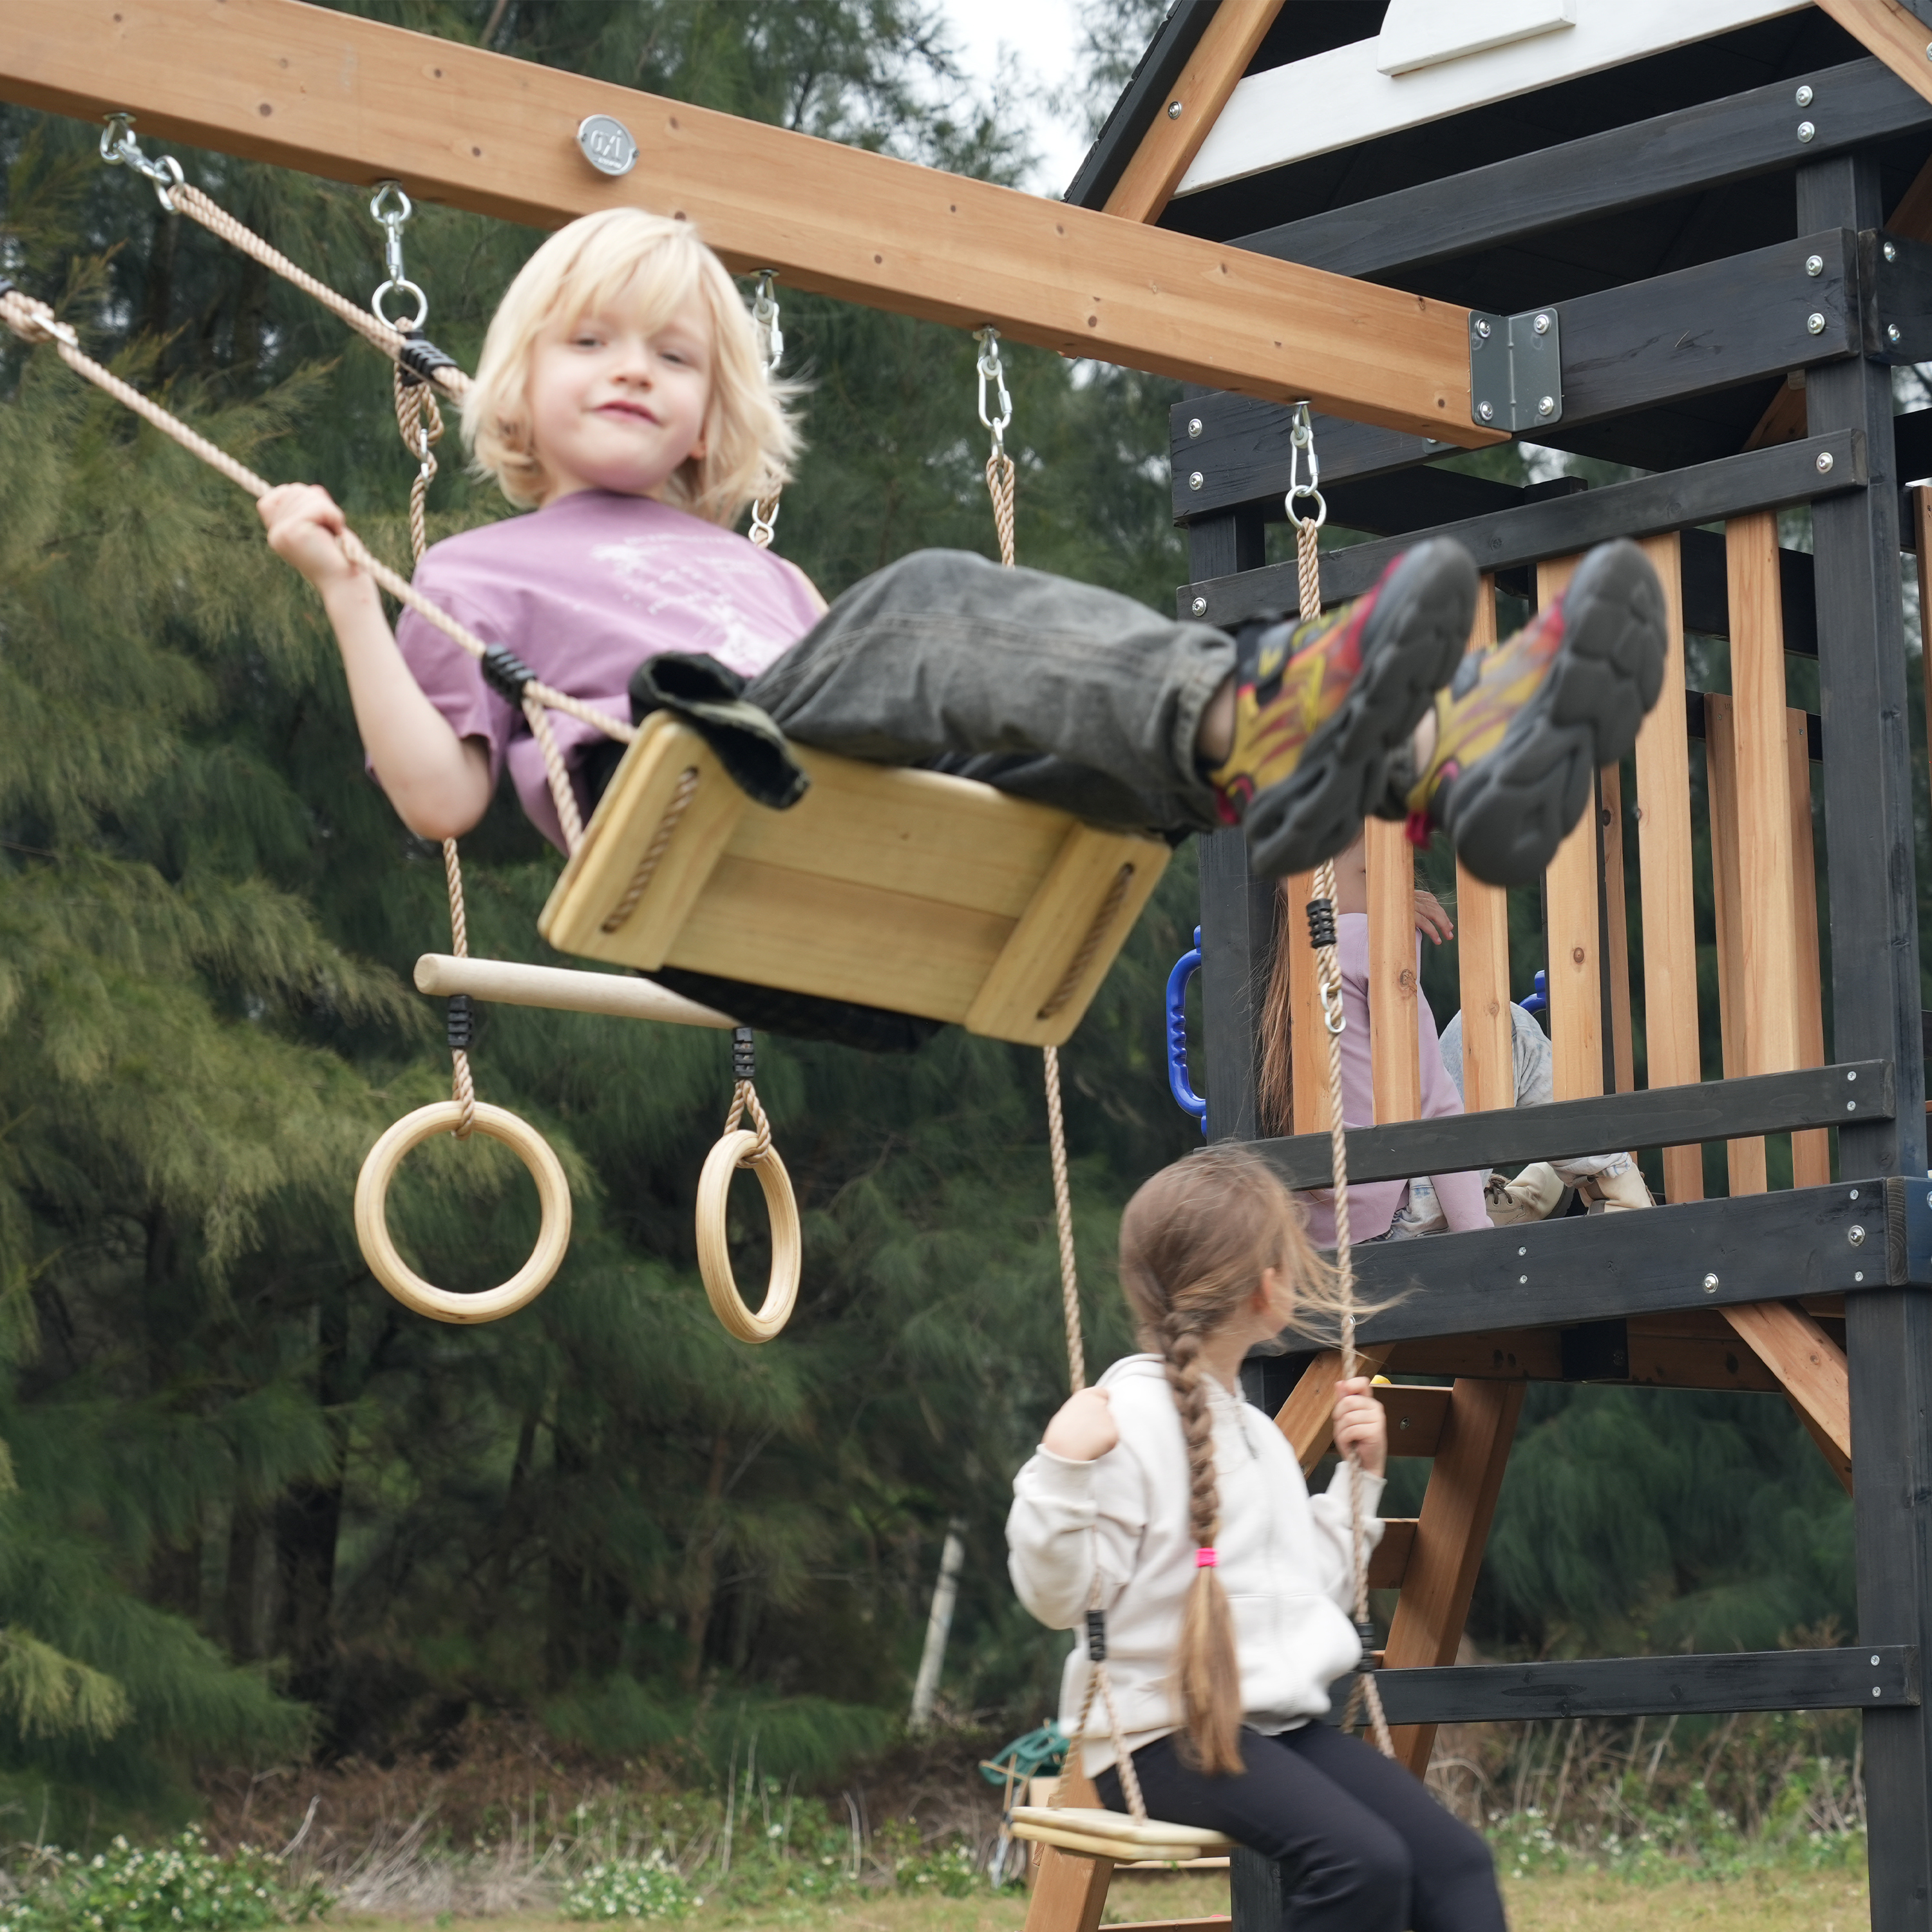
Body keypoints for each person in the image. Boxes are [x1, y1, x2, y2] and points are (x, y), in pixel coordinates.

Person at [256, 206, 1667, 1037]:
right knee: (936, 603)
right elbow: (444, 799)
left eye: (672, 356)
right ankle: (1266, 710)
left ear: (711, 413)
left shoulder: (766, 580)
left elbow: (930, 700)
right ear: (516, 381)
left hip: (880, 827)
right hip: (701, 800)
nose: (634, 372)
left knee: (1053, 737)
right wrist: (347, 601)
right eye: (593, 344)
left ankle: (1439, 767)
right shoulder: (484, 567)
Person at [1007, 1146, 1506, 1932]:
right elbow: (1058, 1595)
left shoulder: (1257, 1438)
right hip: (1155, 1736)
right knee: (1360, 1864)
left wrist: (1361, 1480)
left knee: (1454, 1865)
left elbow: (1317, 1596)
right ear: (1267, 1286)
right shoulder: (1121, 1424)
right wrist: (1061, 1468)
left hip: (1275, 1726)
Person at [1257, 831, 1490, 1244]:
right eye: (1374, 874)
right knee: (1510, 1026)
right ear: (1317, 882)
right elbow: (1432, 1099)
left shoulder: (1294, 957)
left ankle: (1525, 1190)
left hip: (1333, 1223)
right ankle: (1614, 1177)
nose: (1396, 887)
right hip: (1401, 1205)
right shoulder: (1369, 941)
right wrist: (1476, 1233)